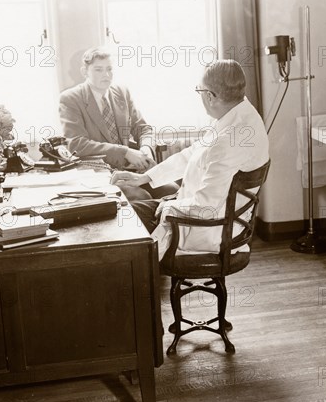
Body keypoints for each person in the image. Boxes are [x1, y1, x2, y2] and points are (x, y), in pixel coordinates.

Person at [110, 59, 269, 260]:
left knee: (120, 220)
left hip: (209, 228)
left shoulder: (230, 139)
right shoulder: (238, 112)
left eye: (199, 91)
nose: (199, 96)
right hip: (206, 214)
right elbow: (193, 153)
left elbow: (205, 207)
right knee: (126, 210)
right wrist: (146, 177)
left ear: (211, 96)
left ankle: (136, 281)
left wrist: (167, 207)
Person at [59, 46, 178, 200]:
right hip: (99, 174)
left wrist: (146, 148)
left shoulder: (121, 92)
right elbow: (76, 144)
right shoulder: (70, 98)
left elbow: (143, 128)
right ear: (84, 72)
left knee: (172, 191)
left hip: (130, 171)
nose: (106, 75)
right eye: (98, 70)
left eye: (109, 69)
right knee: (141, 197)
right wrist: (125, 152)